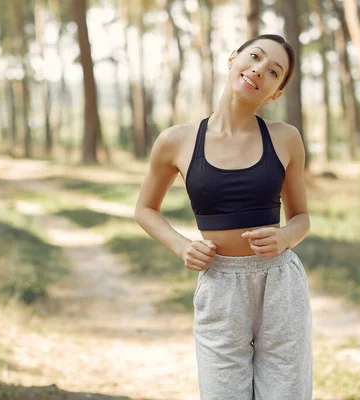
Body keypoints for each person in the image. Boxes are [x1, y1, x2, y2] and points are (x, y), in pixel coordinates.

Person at [134, 34, 312, 400]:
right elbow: (145, 209)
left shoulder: (286, 138)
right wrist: (182, 246)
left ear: (275, 93)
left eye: (274, 72)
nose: (260, 70)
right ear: (233, 59)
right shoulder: (176, 141)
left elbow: (302, 218)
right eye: (256, 57)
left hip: (280, 285)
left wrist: (284, 238)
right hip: (220, 286)